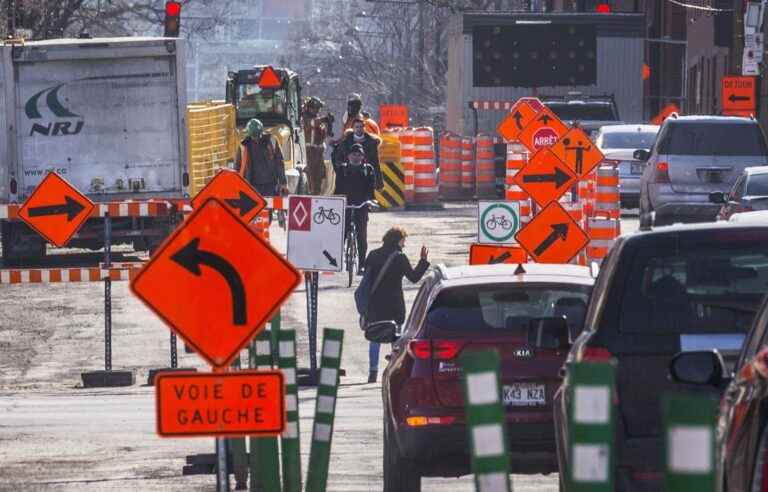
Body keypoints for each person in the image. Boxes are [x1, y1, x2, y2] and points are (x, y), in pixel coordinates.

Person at [363, 227, 429, 383]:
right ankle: (395, 369)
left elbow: (366, 280)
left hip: (375, 304)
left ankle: (373, 372)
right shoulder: (399, 257)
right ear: (398, 240)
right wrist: (423, 261)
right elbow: (414, 277)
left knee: (375, 336)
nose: (404, 245)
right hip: (394, 305)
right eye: (403, 241)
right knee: (396, 337)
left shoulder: (372, 255)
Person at [335, 143, 376, 272]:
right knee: (341, 234)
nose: (356, 157)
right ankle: (336, 261)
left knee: (362, 236)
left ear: (363, 156)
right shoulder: (342, 169)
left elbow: (371, 189)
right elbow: (338, 188)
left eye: (359, 155)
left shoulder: (368, 169)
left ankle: (362, 265)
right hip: (346, 205)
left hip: (361, 206)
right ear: (348, 156)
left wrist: (370, 201)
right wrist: (337, 201)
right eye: (353, 154)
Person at [235, 118, 287, 197]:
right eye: (253, 137)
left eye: (257, 136)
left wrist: (283, 183)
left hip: (271, 185)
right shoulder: (243, 146)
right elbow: (237, 167)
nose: (256, 139)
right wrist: (236, 186)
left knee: (271, 207)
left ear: (261, 132)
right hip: (252, 186)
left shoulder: (272, 141)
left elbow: (279, 163)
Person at [336, 118, 383, 190]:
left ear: (364, 128)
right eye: (357, 127)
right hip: (349, 177)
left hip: (366, 177)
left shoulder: (372, 142)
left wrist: (379, 183)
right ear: (353, 128)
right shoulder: (345, 142)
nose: (359, 129)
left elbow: (375, 163)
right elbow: (339, 160)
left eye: (361, 127)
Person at [301, 96, 333, 195]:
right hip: (309, 153)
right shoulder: (304, 118)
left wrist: (329, 123)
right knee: (310, 176)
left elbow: (327, 134)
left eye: (318, 108)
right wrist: (324, 119)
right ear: (309, 108)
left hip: (319, 154)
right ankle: (310, 196)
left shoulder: (319, 120)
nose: (317, 110)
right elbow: (310, 124)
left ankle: (316, 196)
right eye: (315, 108)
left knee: (319, 177)